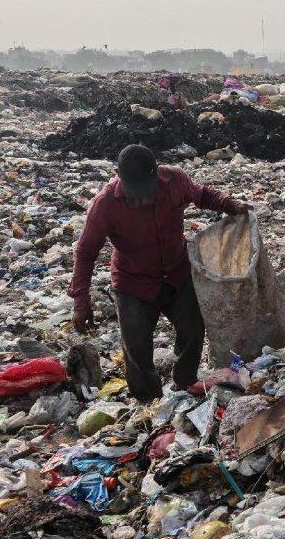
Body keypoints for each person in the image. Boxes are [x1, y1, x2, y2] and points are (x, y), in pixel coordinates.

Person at [70, 144, 250, 403]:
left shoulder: (174, 180)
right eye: (135, 194)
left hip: (177, 273)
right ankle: (149, 401)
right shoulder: (105, 204)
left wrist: (230, 204)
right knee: (137, 348)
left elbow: (201, 194)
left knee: (192, 329)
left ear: (156, 174)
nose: (143, 200)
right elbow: (86, 252)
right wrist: (80, 301)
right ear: (119, 176)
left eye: (147, 192)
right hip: (133, 283)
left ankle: (185, 384)